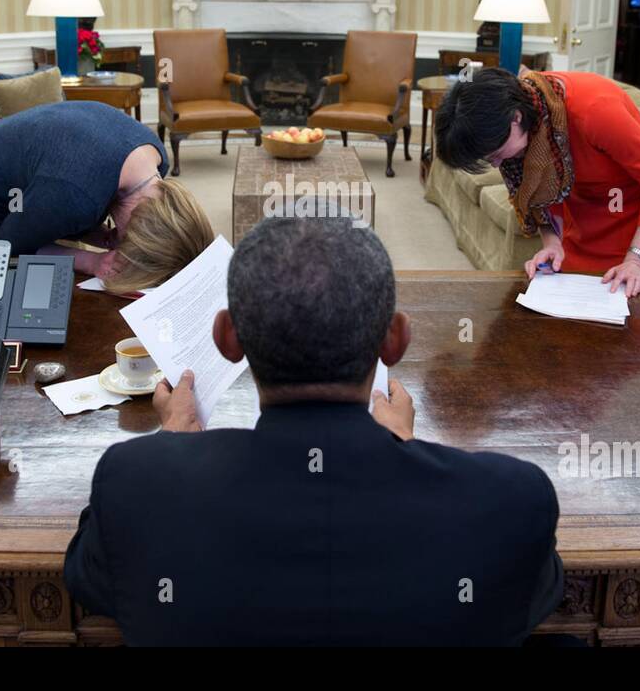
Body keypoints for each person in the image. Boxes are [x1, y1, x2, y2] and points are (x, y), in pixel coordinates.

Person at [64, 215, 564, 646]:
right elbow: (534, 594)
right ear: (396, 341)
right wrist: (407, 452)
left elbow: (88, 577)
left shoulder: (133, 485)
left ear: (227, 339)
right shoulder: (511, 501)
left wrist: (171, 443)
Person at [434, 66, 640, 298]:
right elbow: (543, 187)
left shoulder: (594, 110)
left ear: (516, 118)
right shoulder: (527, 114)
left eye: (495, 154)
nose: (498, 165)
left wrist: (635, 260)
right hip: (584, 225)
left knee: (634, 327)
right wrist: (553, 244)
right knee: (574, 328)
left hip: (638, 227)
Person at [0, 101, 212, 293]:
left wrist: (96, 236)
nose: (124, 244)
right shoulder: (76, 195)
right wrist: (90, 261)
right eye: (131, 242)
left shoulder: (154, 158)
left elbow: (66, 196)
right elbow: (13, 245)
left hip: (20, 187)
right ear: (138, 219)